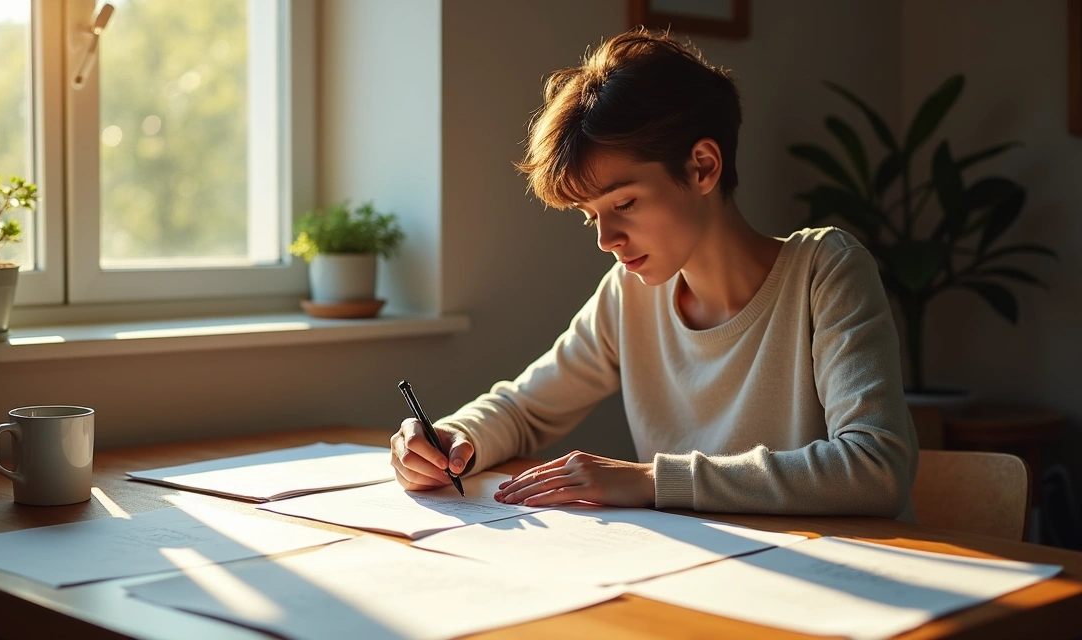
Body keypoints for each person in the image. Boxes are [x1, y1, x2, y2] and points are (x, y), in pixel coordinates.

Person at [389, 29, 918, 519]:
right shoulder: (629, 294)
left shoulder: (826, 272)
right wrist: (454, 438)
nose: (606, 239)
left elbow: (874, 467)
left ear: (703, 166)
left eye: (626, 202)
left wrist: (651, 480)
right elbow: (526, 410)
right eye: (592, 216)